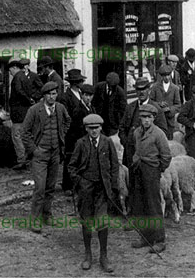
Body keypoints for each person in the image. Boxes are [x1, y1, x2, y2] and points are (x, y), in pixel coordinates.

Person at [68, 114, 119, 273]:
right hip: (86, 189)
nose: (94, 131)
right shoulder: (80, 144)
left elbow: (114, 165)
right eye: (91, 128)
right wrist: (80, 182)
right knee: (87, 221)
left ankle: (103, 256)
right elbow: (71, 166)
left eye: (96, 128)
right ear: (86, 129)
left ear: (101, 128)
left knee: (102, 222)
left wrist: (113, 186)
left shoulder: (107, 142)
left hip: (102, 189)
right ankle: (88, 254)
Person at [21, 82, 70, 233]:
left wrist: (61, 135)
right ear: (44, 95)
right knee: (40, 188)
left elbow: (68, 121)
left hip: (55, 153)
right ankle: (35, 220)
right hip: (40, 154)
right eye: (49, 94)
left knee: (50, 187)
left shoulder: (60, 108)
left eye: (54, 93)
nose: (52, 96)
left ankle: (47, 215)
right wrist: (34, 150)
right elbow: (24, 132)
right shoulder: (34, 110)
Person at [130, 104, 171, 253]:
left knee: (153, 205)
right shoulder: (137, 133)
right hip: (139, 170)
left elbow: (166, 156)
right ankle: (145, 237)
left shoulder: (159, 134)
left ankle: (160, 240)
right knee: (141, 205)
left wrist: (157, 169)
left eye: (149, 117)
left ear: (153, 118)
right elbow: (136, 149)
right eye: (143, 117)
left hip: (151, 171)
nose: (146, 120)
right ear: (140, 118)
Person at [119, 77, 167, 168]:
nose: (141, 92)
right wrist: (125, 142)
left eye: (144, 89)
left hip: (149, 156)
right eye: (139, 89)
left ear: (148, 89)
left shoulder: (156, 108)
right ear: (136, 91)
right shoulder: (130, 107)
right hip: (131, 154)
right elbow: (122, 127)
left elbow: (163, 131)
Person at [60, 69, 86, 192]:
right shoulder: (66, 97)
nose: (82, 83)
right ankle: (67, 185)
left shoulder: (81, 94)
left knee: (80, 156)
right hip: (71, 132)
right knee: (70, 158)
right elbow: (66, 116)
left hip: (81, 131)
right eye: (80, 81)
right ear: (75, 83)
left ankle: (78, 182)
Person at [8, 58, 32, 170]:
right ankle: (27, 159)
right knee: (25, 135)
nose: (10, 73)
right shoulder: (25, 77)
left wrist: (27, 100)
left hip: (18, 113)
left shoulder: (17, 78)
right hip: (26, 112)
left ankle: (22, 160)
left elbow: (19, 92)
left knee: (17, 136)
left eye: (10, 71)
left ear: (14, 68)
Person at [150, 64, 181, 140]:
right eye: (164, 76)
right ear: (161, 76)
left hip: (169, 120)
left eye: (168, 75)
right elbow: (150, 101)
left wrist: (170, 109)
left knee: (169, 140)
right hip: (158, 120)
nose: (166, 77)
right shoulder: (155, 87)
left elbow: (178, 105)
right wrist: (159, 104)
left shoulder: (175, 88)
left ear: (170, 75)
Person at [93, 72, 127, 137]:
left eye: (114, 86)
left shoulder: (120, 92)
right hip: (99, 120)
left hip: (113, 123)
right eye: (110, 85)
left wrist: (119, 123)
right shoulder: (98, 87)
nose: (112, 87)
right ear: (107, 83)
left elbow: (123, 109)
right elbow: (93, 102)